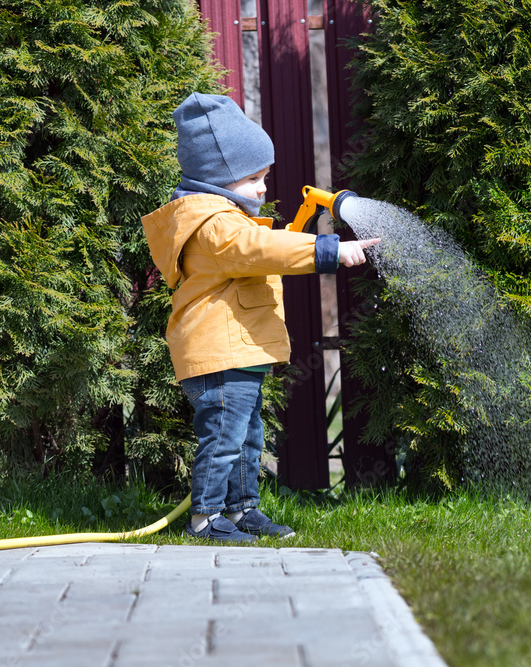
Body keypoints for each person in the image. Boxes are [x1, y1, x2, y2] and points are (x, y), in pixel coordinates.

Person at [141, 92, 379, 542]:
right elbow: (259, 250)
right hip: (220, 355)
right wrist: (329, 249)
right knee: (224, 439)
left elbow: (265, 252)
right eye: (254, 178)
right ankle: (206, 518)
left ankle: (241, 510)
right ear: (218, 178)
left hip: (238, 352)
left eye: (264, 176)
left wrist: (304, 239)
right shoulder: (213, 226)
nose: (264, 188)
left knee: (247, 439)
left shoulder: (227, 219)